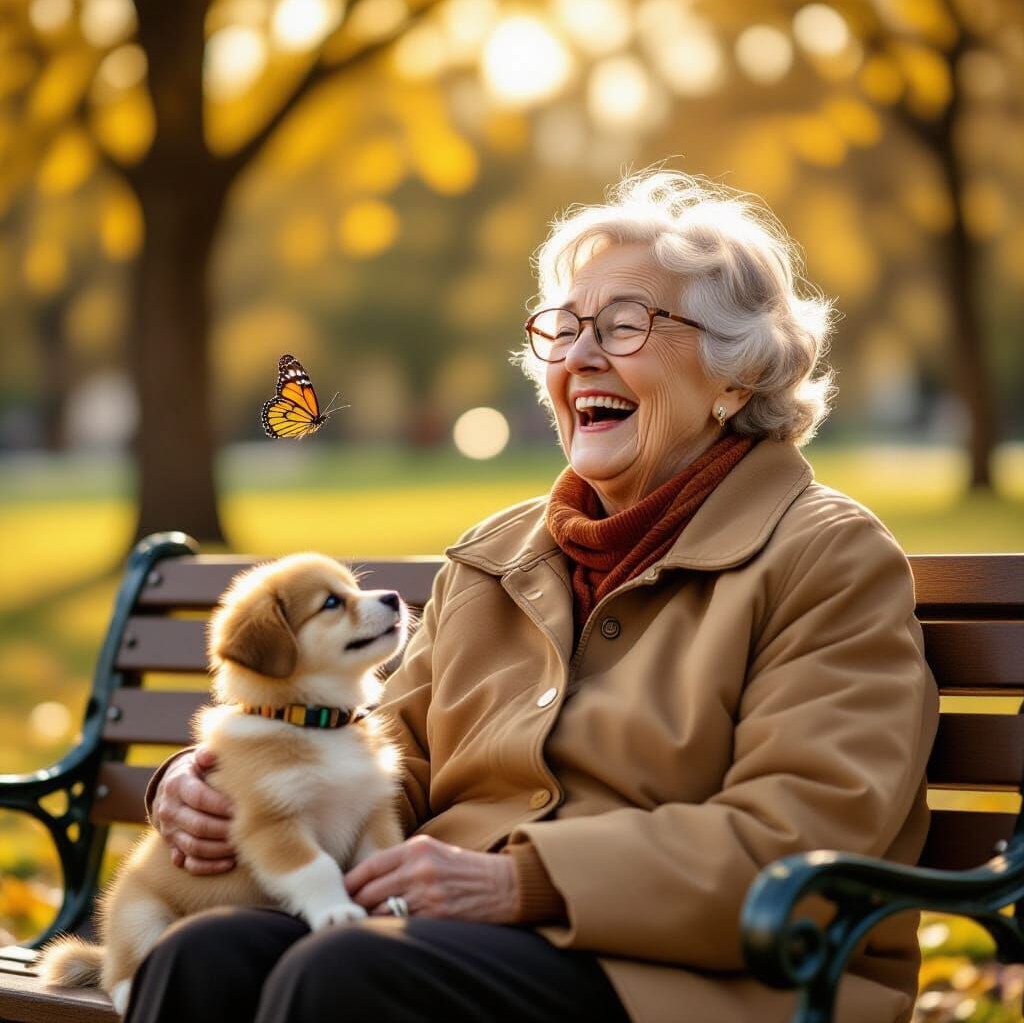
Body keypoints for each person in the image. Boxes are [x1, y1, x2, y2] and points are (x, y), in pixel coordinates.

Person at [133, 171, 938, 1023]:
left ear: (735, 376)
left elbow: (799, 833)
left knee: (345, 977)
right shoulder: (496, 558)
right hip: (454, 936)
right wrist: (222, 787)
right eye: (564, 329)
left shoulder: (828, 558)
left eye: (626, 325)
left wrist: (523, 880)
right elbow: (387, 766)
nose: (580, 356)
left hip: (704, 979)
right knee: (202, 956)